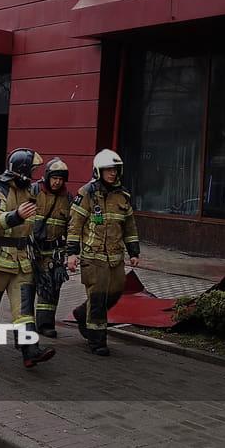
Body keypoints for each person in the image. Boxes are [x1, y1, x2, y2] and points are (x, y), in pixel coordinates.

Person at [0, 148, 56, 368]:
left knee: (24, 310)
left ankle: (30, 351)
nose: (34, 175)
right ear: (22, 171)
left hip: (22, 261)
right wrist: (16, 215)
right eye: (32, 170)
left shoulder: (30, 191)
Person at [66, 149, 140, 356]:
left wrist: (134, 251)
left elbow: (130, 227)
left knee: (115, 293)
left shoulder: (123, 196)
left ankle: (83, 313)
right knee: (98, 298)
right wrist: (72, 253)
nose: (112, 173)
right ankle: (97, 340)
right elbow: (75, 226)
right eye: (108, 170)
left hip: (116, 258)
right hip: (93, 258)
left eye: (115, 170)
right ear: (99, 171)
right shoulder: (86, 193)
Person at [30, 158, 72, 338]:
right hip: (31, 249)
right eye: (54, 178)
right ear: (47, 176)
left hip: (53, 252)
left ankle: (45, 324)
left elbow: (72, 226)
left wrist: (71, 252)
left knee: (51, 287)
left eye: (61, 179)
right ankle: (26, 323)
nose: (57, 182)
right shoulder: (34, 191)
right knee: (27, 286)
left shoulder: (67, 198)